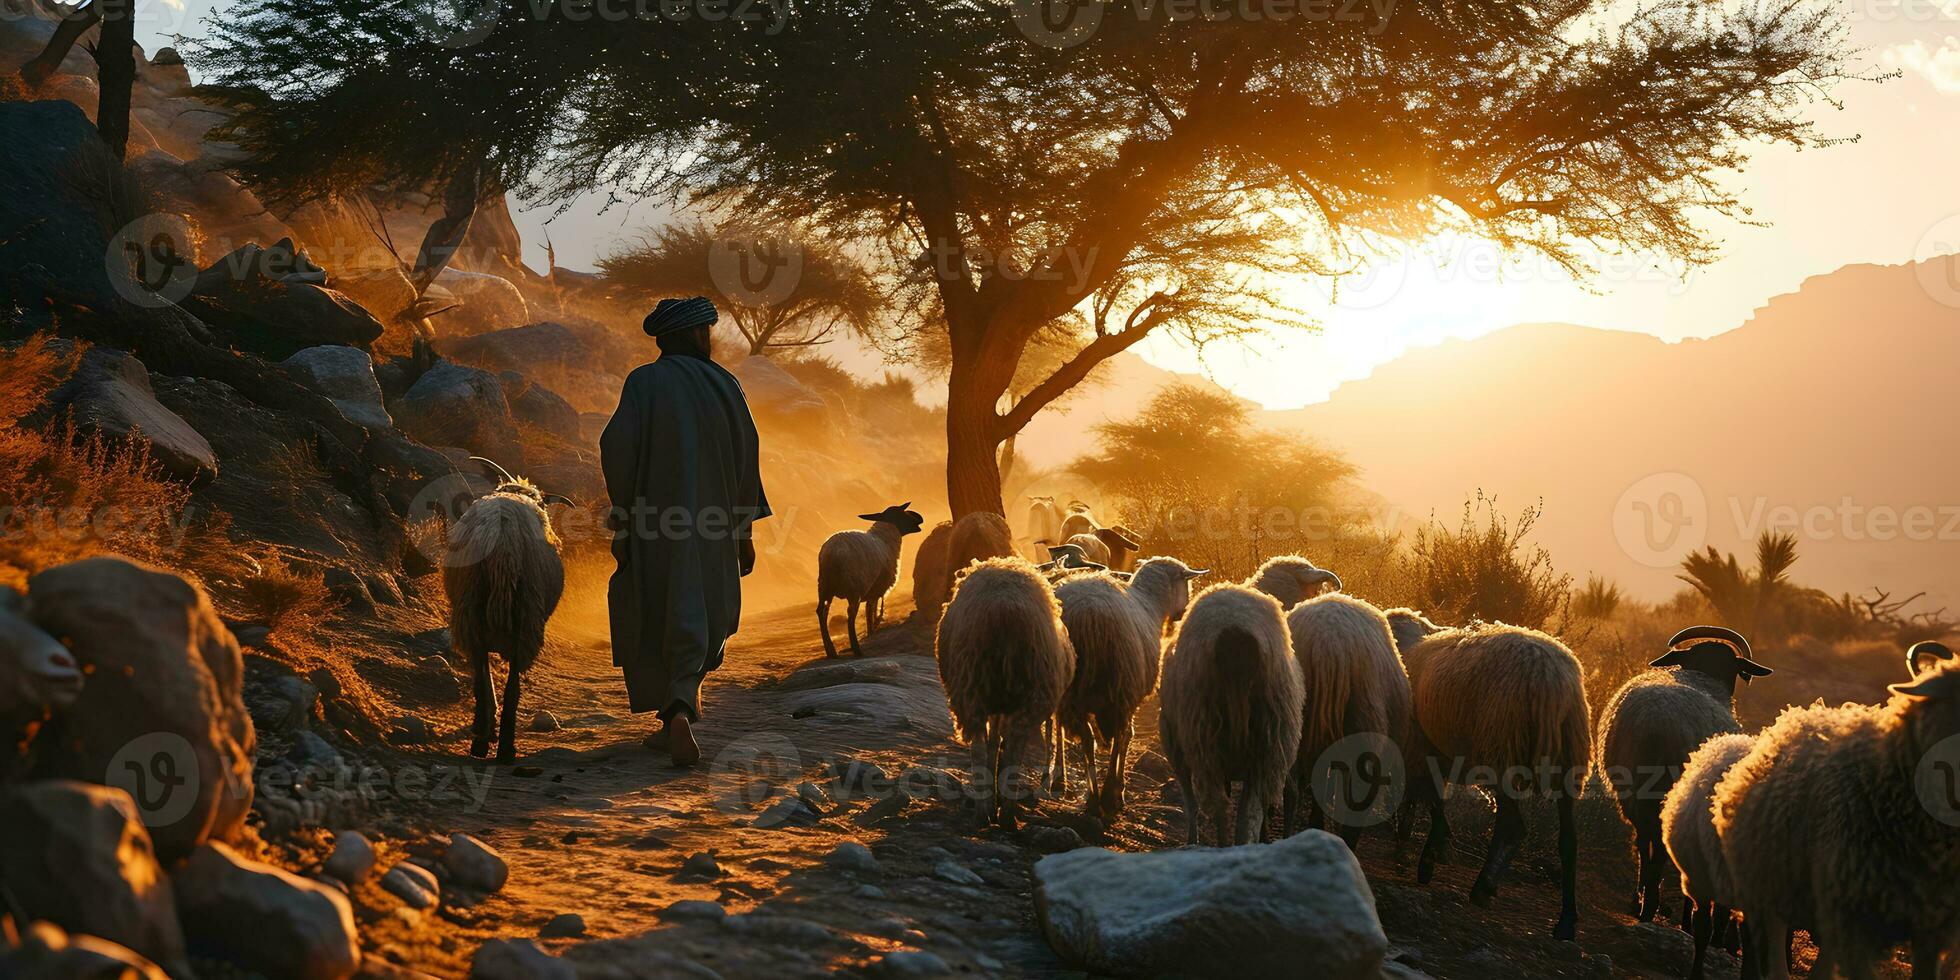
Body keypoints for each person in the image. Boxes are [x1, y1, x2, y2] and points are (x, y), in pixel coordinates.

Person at [601, 296, 770, 766]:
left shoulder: (643, 382)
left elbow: (616, 446)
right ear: (694, 335)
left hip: (655, 525)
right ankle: (680, 705)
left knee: (660, 610)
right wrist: (744, 532)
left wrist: (625, 511)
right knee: (709, 614)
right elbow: (746, 458)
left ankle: (671, 711)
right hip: (715, 529)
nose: (709, 340)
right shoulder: (726, 385)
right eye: (706, 332)